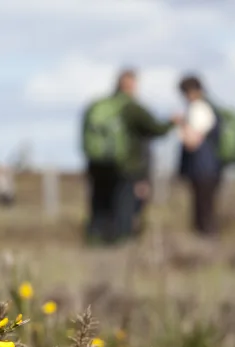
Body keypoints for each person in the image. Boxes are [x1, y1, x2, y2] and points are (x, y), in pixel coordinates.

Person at [83, 69, 176, 245]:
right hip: (126, 167)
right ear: (132, 85)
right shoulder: (132, 108)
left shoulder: (97, 106)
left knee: (99, 203)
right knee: (124, 205)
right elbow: (156, 129)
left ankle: (96, 240)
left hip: (96, 164)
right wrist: (172, 122)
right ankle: (121, 243)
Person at [177, 75, 222, 238]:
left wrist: (181, 124)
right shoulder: (208, 108)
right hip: (209, 168)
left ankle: (206, 247)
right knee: (203, 209)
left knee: (204, 211)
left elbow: (192, 141)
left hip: (204, 168)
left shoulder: (200, 108)